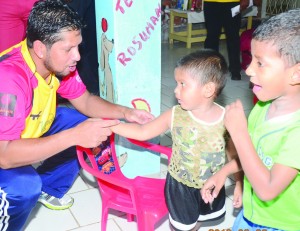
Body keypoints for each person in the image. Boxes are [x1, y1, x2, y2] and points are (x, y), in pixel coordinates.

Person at [0, 0, 154, 230]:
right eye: (68, 49)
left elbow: (85, 101)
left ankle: (49, 187)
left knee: (81, 122)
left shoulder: (55, 65)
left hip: (22, 130)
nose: (78, 57)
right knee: (23, 188)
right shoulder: (9, 79)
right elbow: (5, 155)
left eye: (78, 46)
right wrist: (73, 136)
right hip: (4, 148)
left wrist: (125, 112)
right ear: (41, 48)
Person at [110, 49, 243, 231]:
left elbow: (235, 155)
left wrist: (240, 183)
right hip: (180, 185)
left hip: (212, 184)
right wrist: (111, 126)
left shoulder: (227, 119)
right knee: (181, 226)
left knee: (199, 218)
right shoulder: (175, 115)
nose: (175, 90)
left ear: (208, 89)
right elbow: (142, 131)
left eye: (183, 84)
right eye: (177, 83)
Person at [201, 9, 300, 230]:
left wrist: (238, 133)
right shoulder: (262, 108)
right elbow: (254, 157)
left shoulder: (297, 131)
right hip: (250, 214)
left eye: (260, 63)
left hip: (280, 225)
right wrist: (227, 174)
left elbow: (267, 189)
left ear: (296, 74)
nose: (248, 70)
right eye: (251, 60)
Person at [203, 0, 250, 80]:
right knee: (211, 37)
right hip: (211, 3)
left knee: (233, 36)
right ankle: (211, 69)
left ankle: (235, 70)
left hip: (232, 3)